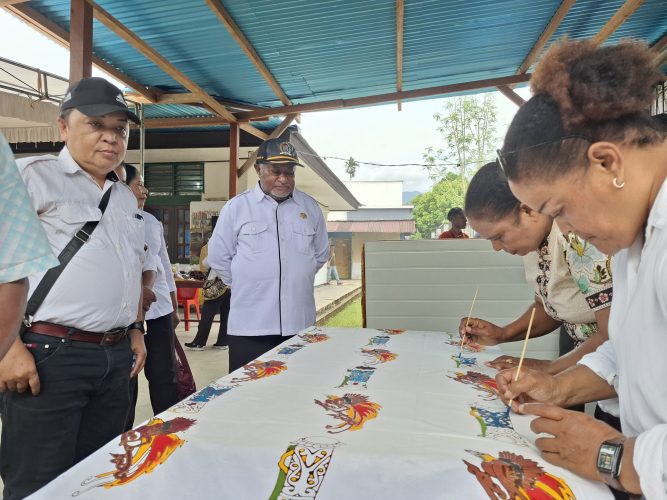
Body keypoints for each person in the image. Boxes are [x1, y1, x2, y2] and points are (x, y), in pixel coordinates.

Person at [493, 39, 667, 498]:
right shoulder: (633, 241)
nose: (566, 229)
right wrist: (558, 388)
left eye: (559, 210)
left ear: (606, 162)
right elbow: (627, 351)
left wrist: (614, 458)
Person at [0, 77, 149, 500]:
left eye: (120, 129)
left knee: (98, 476)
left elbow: (130, 269)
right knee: (37, 482)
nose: (111, 137)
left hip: (115, 357)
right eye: (96, 124)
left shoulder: (123, 197)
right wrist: (8, 349)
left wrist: (136, 329)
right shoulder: (33, 178)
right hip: (48, 355)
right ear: (64, 127)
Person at [460, 162, 614, 380]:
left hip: (620, 368)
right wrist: (502, 333)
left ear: (528, 210)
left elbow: (613, 333)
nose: (496, 248)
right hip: (588, 360)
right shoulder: (535, 243)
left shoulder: (577, 235)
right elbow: (549, 306)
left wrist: (548, 368)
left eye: (499, 236)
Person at [208, 138, 328, 372]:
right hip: (251, 326)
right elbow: (218, 256)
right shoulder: (237, 208)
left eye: (289, 172)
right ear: (258, 169)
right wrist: (246, 281)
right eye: (275, 171)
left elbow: (320, 254)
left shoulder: (310, 208)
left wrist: (296, 276)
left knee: (298, 387)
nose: (283, 179)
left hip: (299, 326)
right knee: (247, 388)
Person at [123, 164, 179, 426]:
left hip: (159, 310)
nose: (144, 191)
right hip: (126, 315)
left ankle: (168, 428)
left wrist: (174, 305)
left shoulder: (151, 221)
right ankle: (123, 434)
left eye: (144, 185)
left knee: (164, 374)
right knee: (127, 377)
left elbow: (162, 263)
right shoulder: (111, 221)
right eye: (139, 185)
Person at [0, 133, 58, 361]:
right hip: (47, 336)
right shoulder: (31, 173)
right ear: (64, 128)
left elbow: (12, 275)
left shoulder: (122, 198)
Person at [185, 225, 231, 351]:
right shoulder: (233, 245)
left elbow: (206, 263)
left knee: (207, 315)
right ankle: (223, 342)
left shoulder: (216, 245)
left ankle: (199, 343)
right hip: (229, 285)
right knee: (226, 315)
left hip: (216, 285)